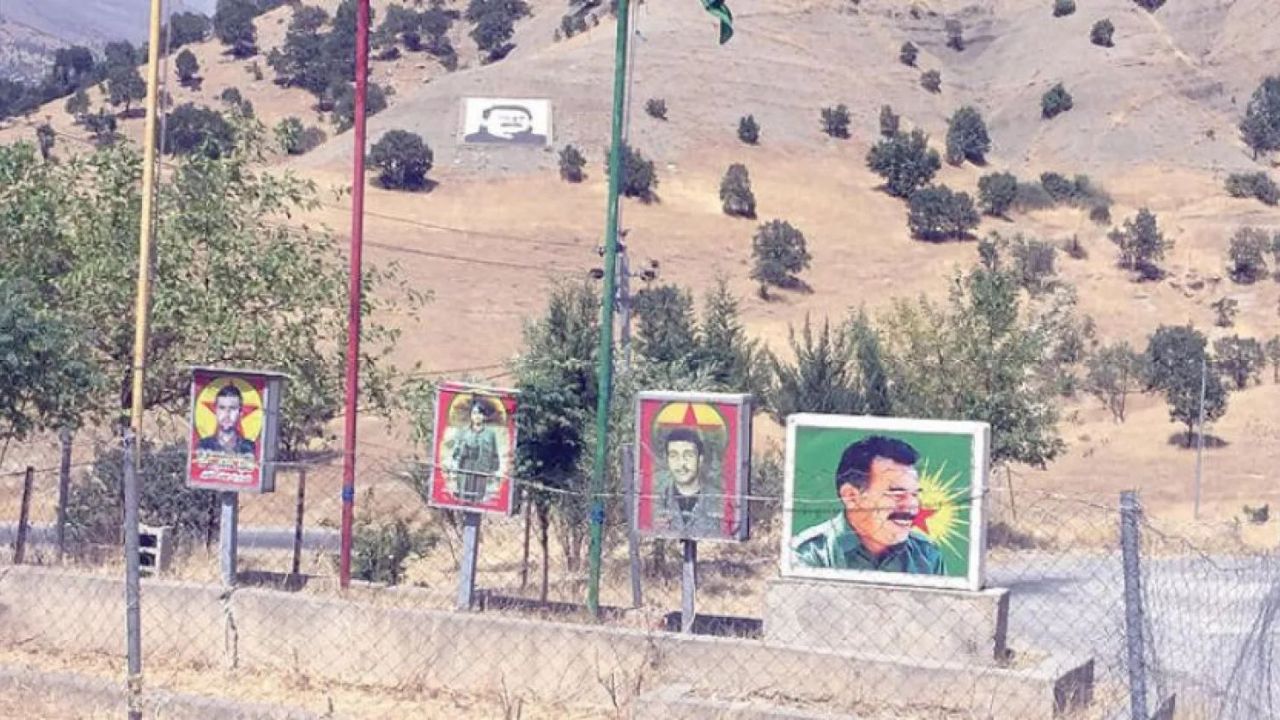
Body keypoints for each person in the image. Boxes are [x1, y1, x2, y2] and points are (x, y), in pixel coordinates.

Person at [790, 435, 945, 574]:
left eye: (915, 494)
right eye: (897, 494)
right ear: (851, 497)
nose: (911, 506)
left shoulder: (927, 556)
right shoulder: (809, 554)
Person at [654, 427, 723, 537]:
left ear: (700, 459)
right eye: (674, 456)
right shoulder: (656, 502)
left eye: (688, 455)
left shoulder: (720, 500)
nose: (681, 464)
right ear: (667, 460)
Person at [450, 397, 501, 502]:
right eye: (474, 413)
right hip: (465, 468)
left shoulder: (490, 434)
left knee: (478, 499)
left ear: (484, 416)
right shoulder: (463, 432)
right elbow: (455, 453)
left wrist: (493, 472)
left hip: (481, 470)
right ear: (471, 416)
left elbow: (495, 455)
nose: (477, 416)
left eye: (480, 414)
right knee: (463, 497)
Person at [197, 383, 256, 455]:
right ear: (216, 411)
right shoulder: (204, 445)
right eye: (222, 408)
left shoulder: (249, 447)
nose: (227, 414)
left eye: (232, 408)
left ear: (240, 412)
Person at [463, 104, 547, 145]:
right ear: (485, 121)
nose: (513, 121)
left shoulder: (539, 140)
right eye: (504, 117)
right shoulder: (472, 139)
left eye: (520, 118)